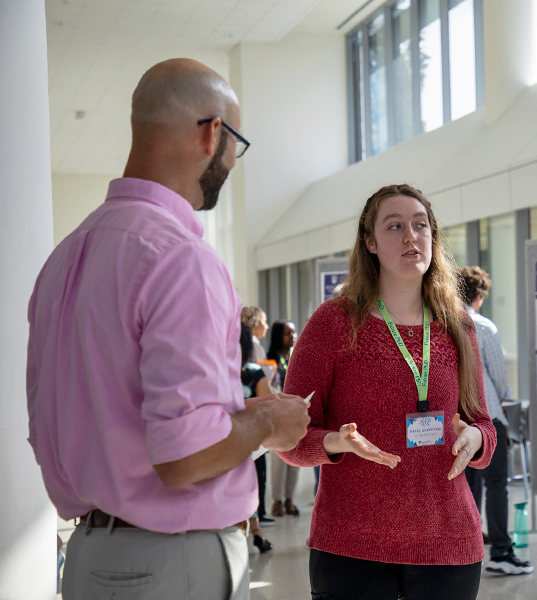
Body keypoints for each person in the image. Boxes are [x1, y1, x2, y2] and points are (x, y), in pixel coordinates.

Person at [26, 58, 310, 600]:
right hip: (174, 561)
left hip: (89, 554)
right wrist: (270, 421)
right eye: (237, 144)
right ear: (212, 134)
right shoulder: (180, 257)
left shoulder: (65, 258)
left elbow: (52, 423)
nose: (232, 161)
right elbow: (186, 458)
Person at [278, 184, 497, 600]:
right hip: (352, 547)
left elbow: (484, 424)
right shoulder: (333, 324)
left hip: (448, 541)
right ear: (370, 242)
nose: (411, 237)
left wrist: (475, 438)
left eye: (421, 225)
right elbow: (289, 441)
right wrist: (334, 442)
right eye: (395, 226)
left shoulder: (458, 326)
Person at [458, 266, 534, 576]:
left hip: (457, 421)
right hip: (487, 417)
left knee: (468, 487)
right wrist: (505, 395)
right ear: (478, 296)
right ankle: (501, 551)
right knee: (497, 485)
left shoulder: (442, 323)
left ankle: (469, 547)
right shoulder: (481, 326)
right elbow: (498, 374)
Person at [240, 324, 276, 554]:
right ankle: (255, 532)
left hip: (229, 443)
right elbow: (270, 405)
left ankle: (252, 530)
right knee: (250, 487)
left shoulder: (210, 372)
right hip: (249, 442)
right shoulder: (253, 372)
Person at [267, 320, 302, 517]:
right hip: (279, 416)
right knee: (278, 461)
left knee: (295, 459)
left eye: (294, 332)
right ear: (278, 336)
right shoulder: (270, 360)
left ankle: (290, 499)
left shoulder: (295, 358)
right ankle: (277, 501)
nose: (293, 337)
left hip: (296, 414)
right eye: (288, 333)